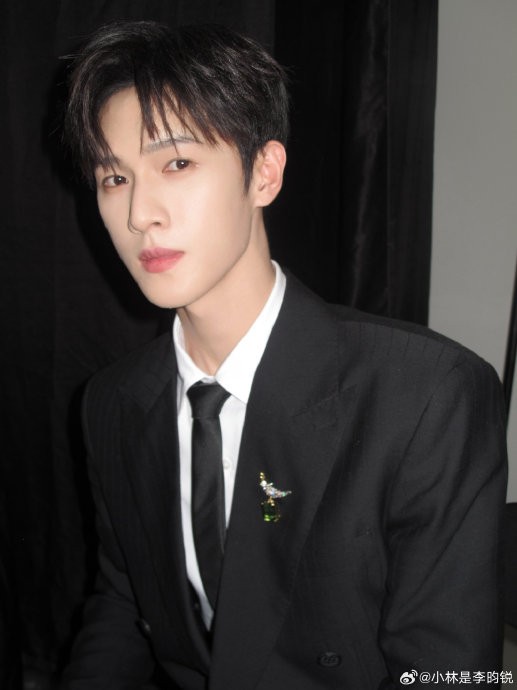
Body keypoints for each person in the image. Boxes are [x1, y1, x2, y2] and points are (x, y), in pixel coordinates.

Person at [61, 20, 507, 690]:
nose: (139, 214)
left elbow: (449, 673)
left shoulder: (425, 394)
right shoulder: (114, 402)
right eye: (113, 177)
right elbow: (124, 601)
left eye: (176, 164)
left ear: (263, 173)